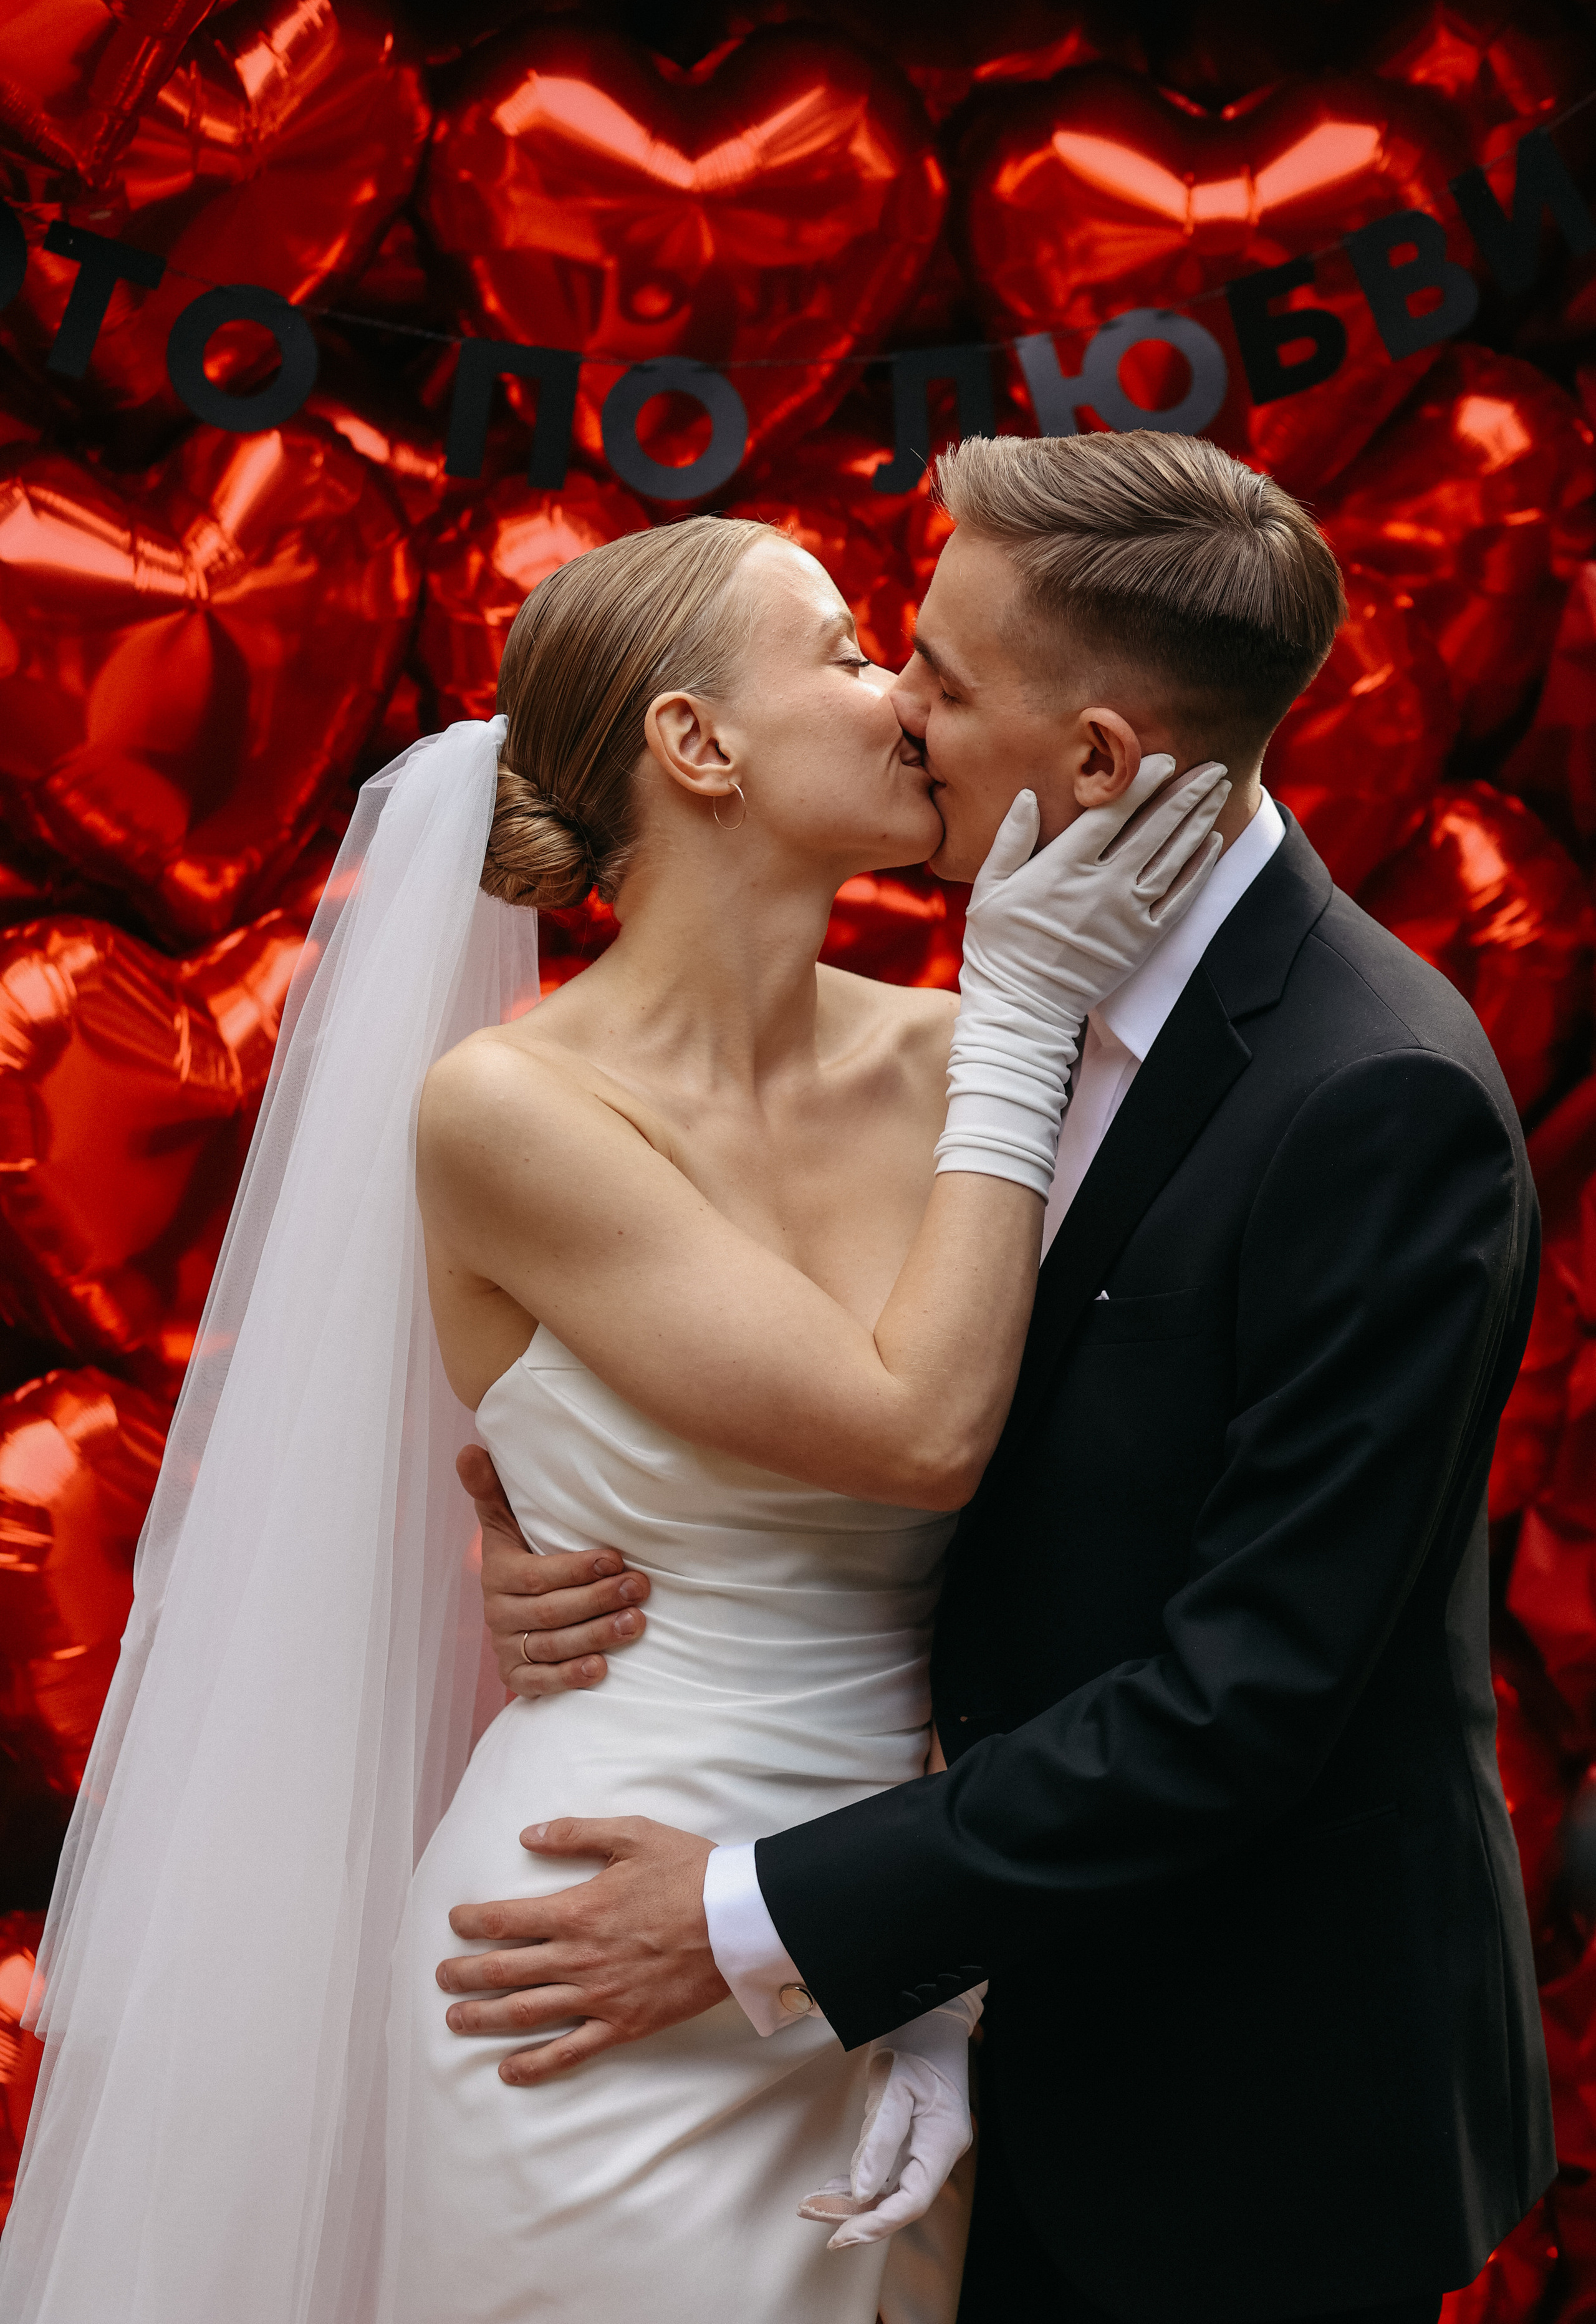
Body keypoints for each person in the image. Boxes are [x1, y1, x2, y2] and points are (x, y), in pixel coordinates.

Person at [0, 501, 1225, 2324]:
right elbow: (914, 1436)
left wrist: (946, 1965)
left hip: (893, 1929)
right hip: (580, 1953)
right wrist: (1029, 1012)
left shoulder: (965, 1060)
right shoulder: (511, 1113)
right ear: (696, 742)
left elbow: (1093, 1496)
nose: (907, 698)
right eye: (846, 653)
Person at [445, 432, 1554, 2324]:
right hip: (955, 2003)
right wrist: (559, 1492)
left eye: (942, 679)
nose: (901, 706)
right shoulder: (1010, 1008)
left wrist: (758, 1920)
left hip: (1229, 2110)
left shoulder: (1375, 1098)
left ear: (1101, 762)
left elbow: (1242, 1700)